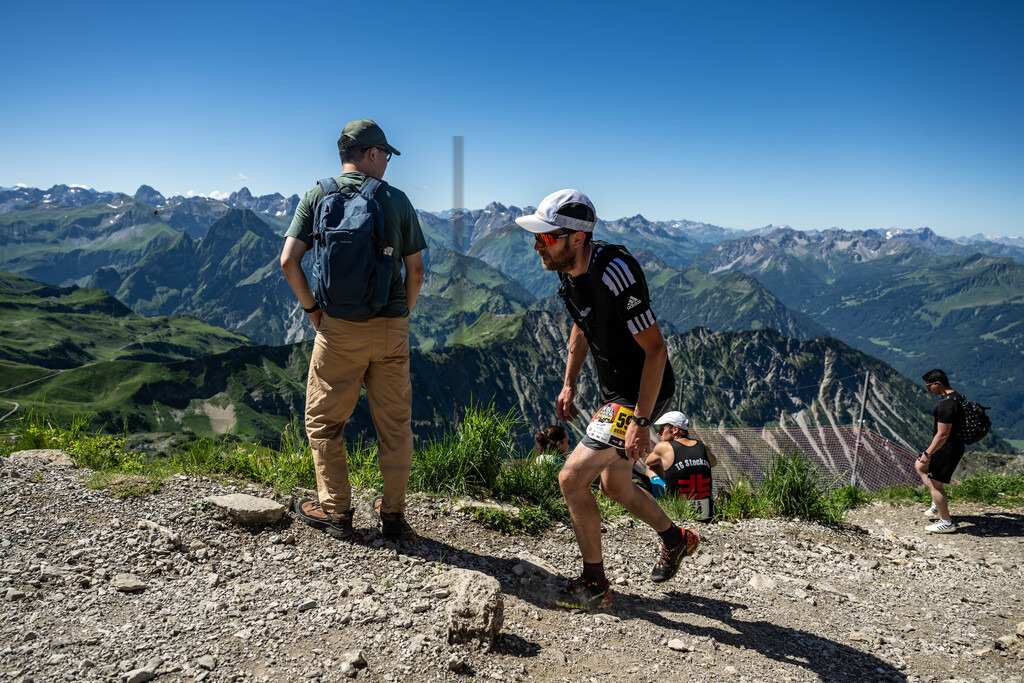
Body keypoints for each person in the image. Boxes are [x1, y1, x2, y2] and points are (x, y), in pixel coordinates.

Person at [515, 189, 700, 610]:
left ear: (576, 238)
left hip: (637, 394)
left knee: (571, 479)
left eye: (546, 238)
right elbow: (582, 325)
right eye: (537, 238)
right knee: (614, 485)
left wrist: (641, 419)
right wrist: (569, 382)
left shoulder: (617, 273)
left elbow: (656, 350)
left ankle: (595, 583)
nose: (537, 246)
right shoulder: (568, 271)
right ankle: (677, 539)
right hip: (615, 392)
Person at [281, 119, 426, 540]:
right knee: (395, 425)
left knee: (325, 423)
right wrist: (402, 315)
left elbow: (289, 261)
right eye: (386, 156)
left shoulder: (317, 195)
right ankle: (394, 516)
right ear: (373, 153)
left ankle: (337, 512)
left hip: (338, 329)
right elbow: (415, 270)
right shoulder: (396, 200)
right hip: (391, 328)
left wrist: (312, 310)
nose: (387, 164)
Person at [916, 369, 965, 533]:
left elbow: (942, 434)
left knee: (936, 484)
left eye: (929, 387)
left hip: (947, 448)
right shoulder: (956, 396)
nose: (928, 390)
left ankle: (946, 522)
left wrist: (928, 453)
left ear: (938, 384)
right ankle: (937, 503)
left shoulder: (946, 405)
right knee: (920, 467)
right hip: (952, 446)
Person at [645, 411, 717, 521]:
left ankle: (661, 504)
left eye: (662, 429)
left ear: (675, 430)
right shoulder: (703, 446)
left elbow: (649, 462)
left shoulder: (663, 447)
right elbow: (713, 463)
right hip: (706, 515)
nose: (659, 433)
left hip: (677, 511)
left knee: (651, 468)